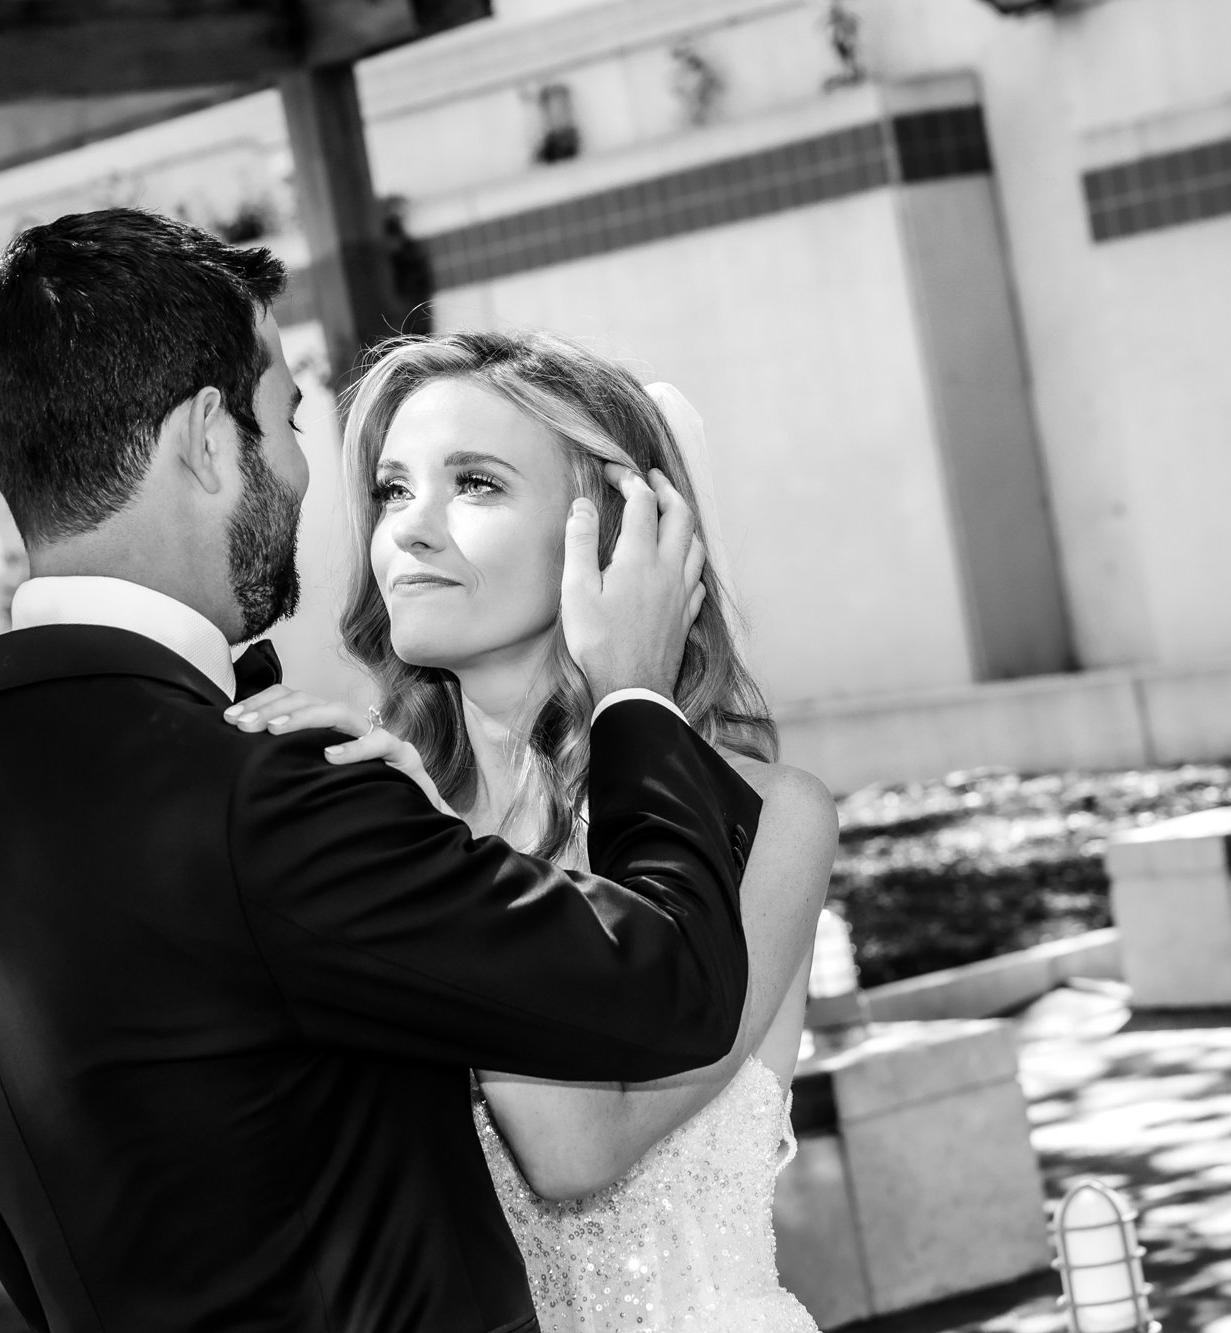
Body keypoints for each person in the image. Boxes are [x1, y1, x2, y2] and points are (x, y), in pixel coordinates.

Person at [0, 207, 767, 1333]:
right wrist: (634, 698)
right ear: (208, 440)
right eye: (286, 419)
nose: (301, 470)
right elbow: (665, 986)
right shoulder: (266, 792)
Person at [226, 331, 839, 1332]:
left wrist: (426, 841)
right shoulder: (360, 812)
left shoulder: (771, 819)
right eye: (389, 489)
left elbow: (575, 1149)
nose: (409, 532)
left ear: (613, 533)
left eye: (473, 482)